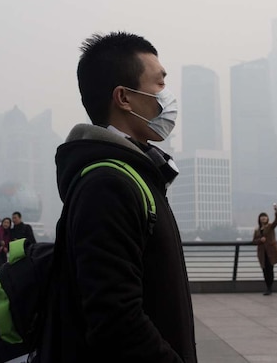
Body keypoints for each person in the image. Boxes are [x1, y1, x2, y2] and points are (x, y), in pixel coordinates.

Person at [39, 32, 196, 362]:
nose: (168, 98)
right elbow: (116, 322)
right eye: (159, 85)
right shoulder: (108, 184)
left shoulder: (135, 173)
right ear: (124, 97)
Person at [252, 204, 277, 295]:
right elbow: (254, 241)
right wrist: (260, 240)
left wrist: (276, 211)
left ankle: (270, 288)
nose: (263, 218)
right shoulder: (257, 230)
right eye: (262, 217)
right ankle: (268, 287)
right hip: (262, 253)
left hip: (271, 252)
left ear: (267, 218)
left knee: (270, 269)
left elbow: (276, 221)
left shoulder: (270, 226)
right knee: (264, 270)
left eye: (265, 217)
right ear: (259, 219)